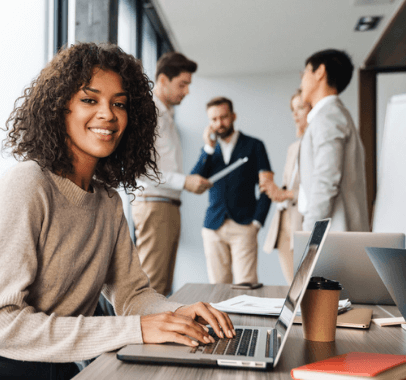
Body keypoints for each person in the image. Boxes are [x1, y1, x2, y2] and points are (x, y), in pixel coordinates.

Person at [0, 43, 234, 380]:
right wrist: (136, 330)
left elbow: (132, 294)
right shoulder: (28, 184)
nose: (108, 114)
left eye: (119, 104)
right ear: (61, 109)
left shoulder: (107, 201)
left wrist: (177, 312)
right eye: (90, 100)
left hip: (53, 362)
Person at [132, 52, 212, 296]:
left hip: (165, 205)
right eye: (182, 84)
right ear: (163, 80)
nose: (187, 91)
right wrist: (184, 181)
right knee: (153, 288)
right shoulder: (150, 113)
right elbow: (141, 169)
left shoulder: (165, 115)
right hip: (155, 204)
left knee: (162, 287)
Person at [191, 97, 272, 285]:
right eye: (214, 119)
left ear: (233, 116)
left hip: (244, 226)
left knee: (246, 285)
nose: (219, 123)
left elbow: (267, 187)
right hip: (213, 226)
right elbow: (194, 182)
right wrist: (208, 149)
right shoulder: (210, 151)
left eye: (224, 117)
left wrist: (257, 222)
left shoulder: (254, 145)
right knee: (218, 287)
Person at [298, 49, 369, 232]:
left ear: (320, 72)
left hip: (333, 233)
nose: (302, 81)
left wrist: (309, 230)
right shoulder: (333, 115)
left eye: (305, 72)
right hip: (335, 232)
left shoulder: (328, 116)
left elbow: (326, 179)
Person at [261, 89, 311, 283]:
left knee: (307, 285)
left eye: (300, 107)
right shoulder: (294, 147)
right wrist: (272, 189)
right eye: (293, 109)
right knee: (292, 286)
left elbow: (318, 190)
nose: (295, 114)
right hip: (283, 222)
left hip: (303, 220)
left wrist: (285, 194)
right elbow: (286, 187)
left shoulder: (317, 145)